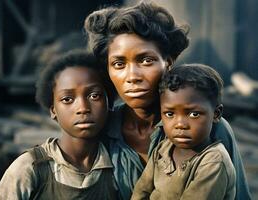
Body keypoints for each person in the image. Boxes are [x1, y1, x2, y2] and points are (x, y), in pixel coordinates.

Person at [84, 1, 251, 200]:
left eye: (146, 60)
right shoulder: (100, 129)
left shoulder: (213, 128)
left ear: (168, 63)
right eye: (119, 64)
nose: (132, 76)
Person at [0, 50, 118, 200]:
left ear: (108, 103)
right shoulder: (30, 168)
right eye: (67, 99)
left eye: (94, 96)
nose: (83, 108)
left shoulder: (119, 165)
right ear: (53, 110)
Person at [131, 64, 236, 200]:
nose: (180, 124)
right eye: (169, 114)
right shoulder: (163, 149)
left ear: (216, 114)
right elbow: (141, 191)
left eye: (193, 114)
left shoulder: (213, 162)